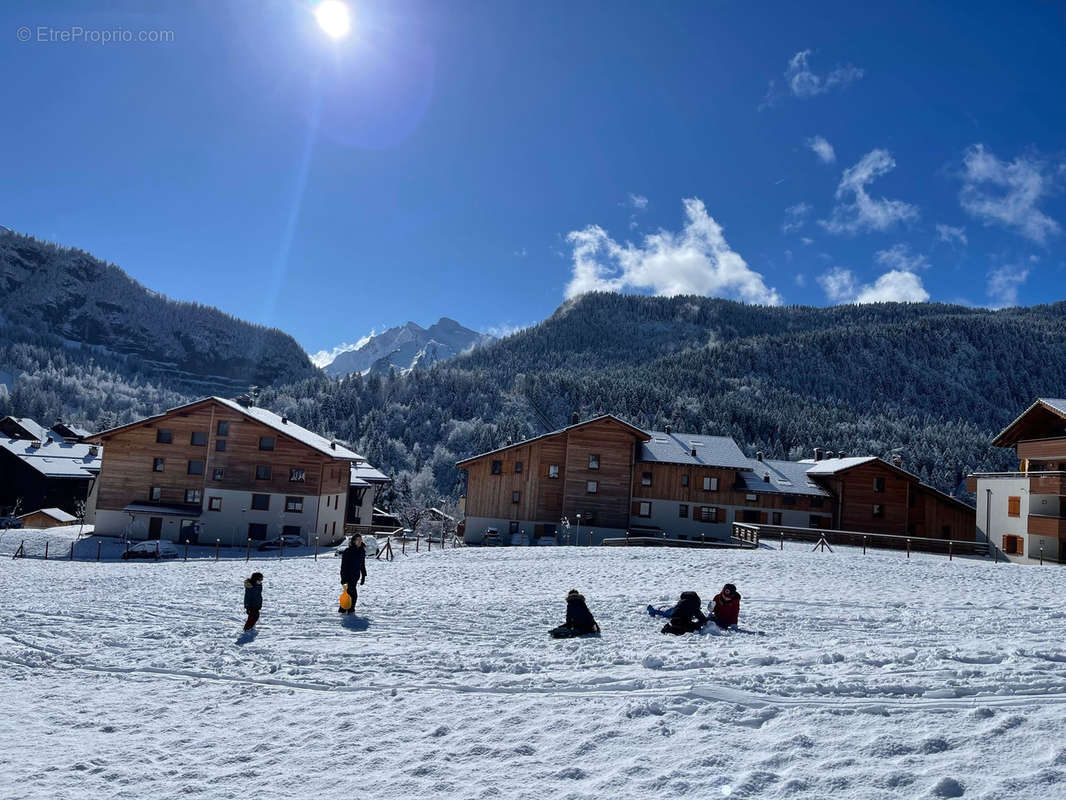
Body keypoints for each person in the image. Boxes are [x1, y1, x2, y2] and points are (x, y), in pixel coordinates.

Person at [339, 534, 367, 613]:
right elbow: (343, 566)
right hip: (348, 576)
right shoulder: (348, 551)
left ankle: (343, 609)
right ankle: (350, 609)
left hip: (355, 576)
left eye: (360, 540)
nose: (360, 541)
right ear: (354, 541)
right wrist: (343, 578)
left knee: (348, 593)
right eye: (358, 540)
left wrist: (364, 576)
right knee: (353, 594)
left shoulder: (362, 551)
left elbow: (362, 564)